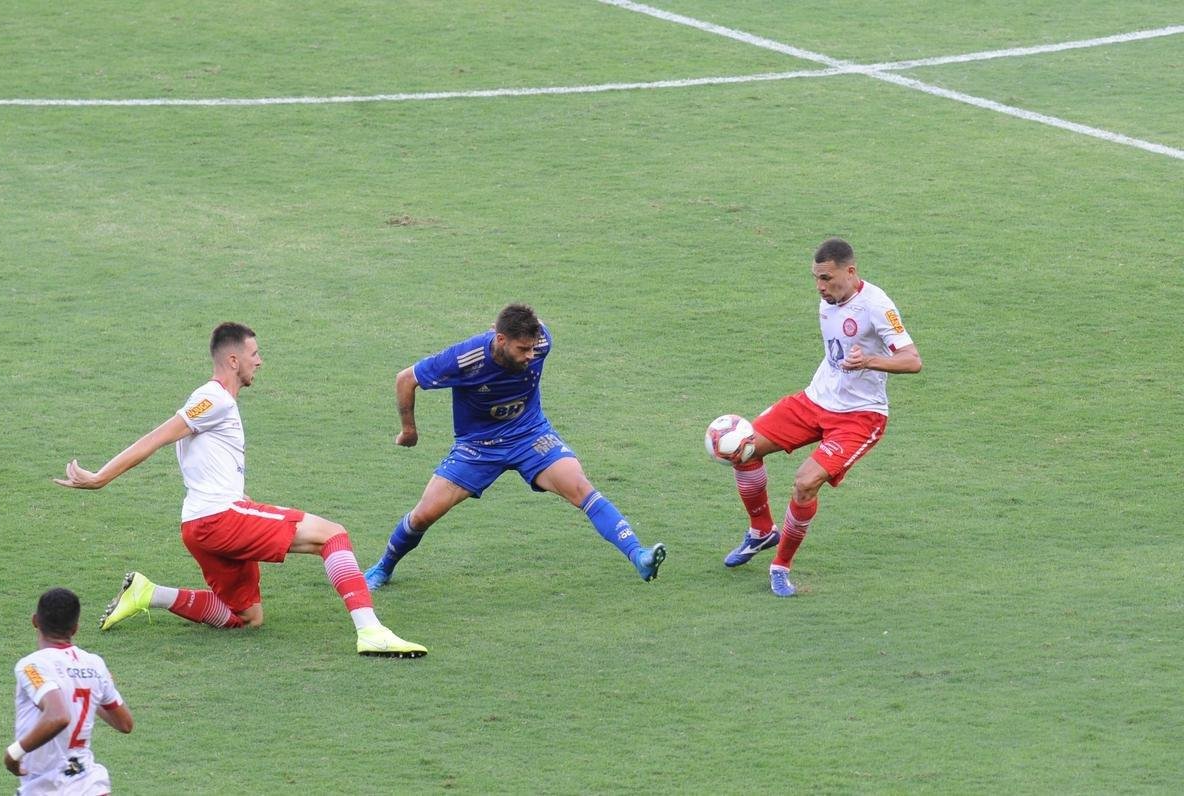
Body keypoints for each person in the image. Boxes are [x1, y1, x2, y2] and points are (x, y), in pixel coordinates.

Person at [54, 322, 425, 657]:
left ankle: (149, 593)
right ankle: (371, 631)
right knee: (332, 535)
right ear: (233, 360)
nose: (259, 361)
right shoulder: (214, 398)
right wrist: (101, 477)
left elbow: (200, 455)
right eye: (254, 354)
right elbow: (156, 438)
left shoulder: (215, 401)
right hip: (218, 519)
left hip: (200, 525)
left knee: (246, 618)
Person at [363, 303, 666, 589]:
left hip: (530, 435)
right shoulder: (466, 358)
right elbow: (405, 379)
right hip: (478, 446)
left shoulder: (541, 341)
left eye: (533, 347)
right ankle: (383, 568)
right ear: (500, 339)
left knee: (581, 488)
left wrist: (531, 335)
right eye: (522, 349)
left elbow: (536, 330)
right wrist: (409, 431)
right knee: (424, 515)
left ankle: (638, 554)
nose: (530, 356)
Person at [721, 238, 922, 596]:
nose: (820, 287)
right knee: (743, 449)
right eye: (816, 278)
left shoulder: (877, 306)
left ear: (851, 271)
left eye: (827, 279)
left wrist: (870, 361)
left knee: (804, 483)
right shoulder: (829, 298)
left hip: (859, 418)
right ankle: (761, 531)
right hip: (815, 400)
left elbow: (912, 359)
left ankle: (780, 566)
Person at [5, 588, 134, 795]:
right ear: (75, 628)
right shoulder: (94, 664)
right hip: (91, 786)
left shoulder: (31, 666)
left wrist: (14, 753)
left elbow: (58, 716)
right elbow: (125, 723)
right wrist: (92, 688)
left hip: (48, 788)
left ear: (35, 621)